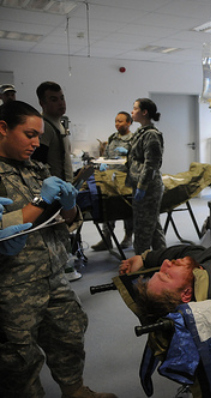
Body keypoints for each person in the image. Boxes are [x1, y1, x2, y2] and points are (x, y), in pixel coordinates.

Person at [0, 101, 116, 398]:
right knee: (18, 357)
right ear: (2, 129)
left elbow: (67, 220)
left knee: (69, 334)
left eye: (38, 135)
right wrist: (39, 202)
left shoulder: (36, 168)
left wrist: (69, 205)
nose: (37, 143)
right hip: (13, 282)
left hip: (53, 271)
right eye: (29, 134)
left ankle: (75, 390)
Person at [126, 98, 166, 255]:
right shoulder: (141, 132)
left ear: (144, 112)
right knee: (153, 226)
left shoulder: (151, 135)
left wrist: (142, 187)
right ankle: (162, 258)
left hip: (148, 187)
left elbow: (151, 164)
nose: (132, 111)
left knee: (143, 229)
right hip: (140, 184)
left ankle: (141, 263)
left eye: (135, 108)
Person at [92, 111, 135, 251]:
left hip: (126, 179)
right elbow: (106, 155)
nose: (117, 124)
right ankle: (107, 239)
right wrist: (103, 163)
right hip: (110, 178)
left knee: (126, 208)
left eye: (121, 121)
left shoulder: (134, 139)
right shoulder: (112, 138)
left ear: (129, 123)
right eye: (116, 121)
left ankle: (128, 237)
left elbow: (138, 160)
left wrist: (128, 155)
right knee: (108, 207)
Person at [31, 81, 73, 182]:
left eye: (62, 98)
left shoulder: (58, 124)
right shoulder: (44, 127)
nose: (61, 103)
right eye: (54, 100)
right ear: (42, 103)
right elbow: (38, 163)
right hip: (55, 191)